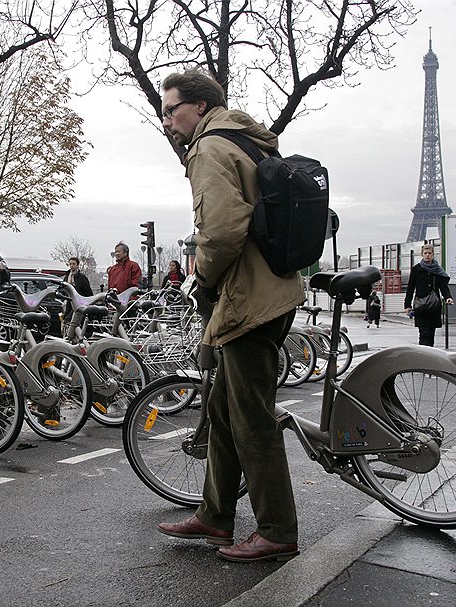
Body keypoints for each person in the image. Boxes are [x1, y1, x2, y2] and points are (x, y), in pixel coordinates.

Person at [155, 69, 306, 562]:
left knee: (250, 418)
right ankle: (216, 515)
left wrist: (204, 279)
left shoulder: (209, 149)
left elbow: (219, 232)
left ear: (199, 106)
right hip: (273, 289)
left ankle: (277, 529)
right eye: (162, 111)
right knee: (221, 407)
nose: (166, 119)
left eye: (172, 108)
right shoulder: (247, 140)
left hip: (250, 299)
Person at [404, 244, 453, 346]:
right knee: (423, 332)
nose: (427, 255)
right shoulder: (416, 269)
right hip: (420, 305)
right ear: (422, 254)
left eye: (429, 253)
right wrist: (407, 305)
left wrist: (448, 297)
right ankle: (423, 356)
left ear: (433, 255)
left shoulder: (438, 270)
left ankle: (430, 353)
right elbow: (410, 288)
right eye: (425, 253)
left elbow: (443, 287)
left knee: (431, 332)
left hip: (434, 305)